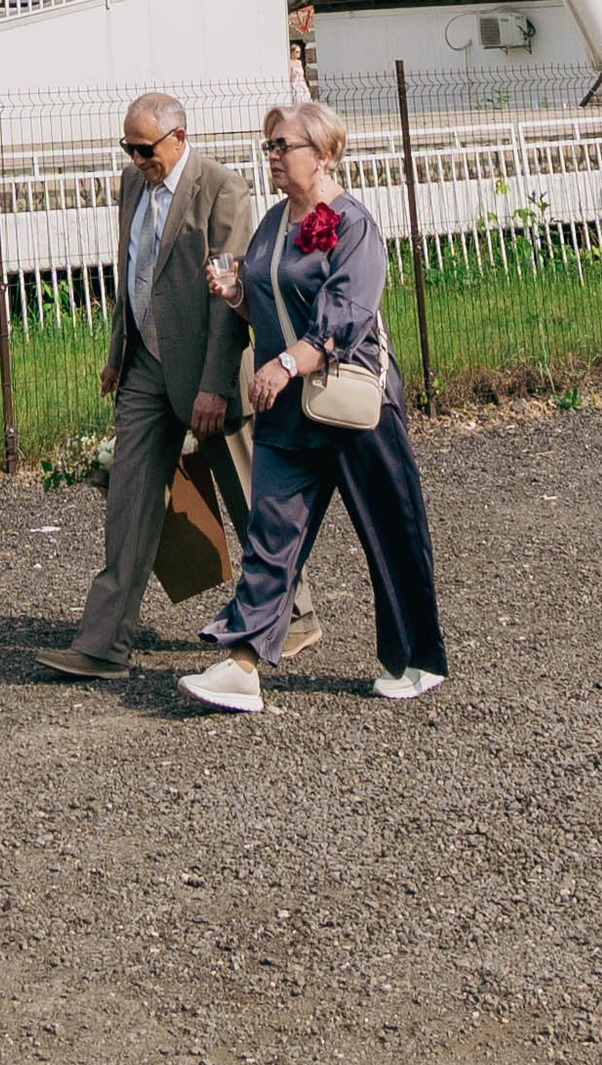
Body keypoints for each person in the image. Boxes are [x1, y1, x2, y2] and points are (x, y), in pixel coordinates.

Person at [35, 92, 318, 683]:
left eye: (145, 149)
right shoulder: (132, 186)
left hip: (209, 371)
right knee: (130, 500)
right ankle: (104, 642)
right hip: (145, 367)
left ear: (179, 137)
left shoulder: (222, 189)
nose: (137, 159)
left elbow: (230, 302)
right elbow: (132, 269)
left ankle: (295, 614)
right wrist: (118, 352)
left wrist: (214, 385)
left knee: (248, 500)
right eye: (128, 148)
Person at [180, 97, 447, 717]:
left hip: (354, 408)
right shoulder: (274, 223)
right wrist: (239, 293)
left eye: (284, 147)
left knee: (388, 528)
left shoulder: (353, 225)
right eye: (269, 146)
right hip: (288, 414)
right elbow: (272, 306)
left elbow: (346, 316)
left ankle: (417, 657)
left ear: (324, 155)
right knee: (271, 534)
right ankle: (243, 664)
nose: (272, 157)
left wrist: (286, 363)